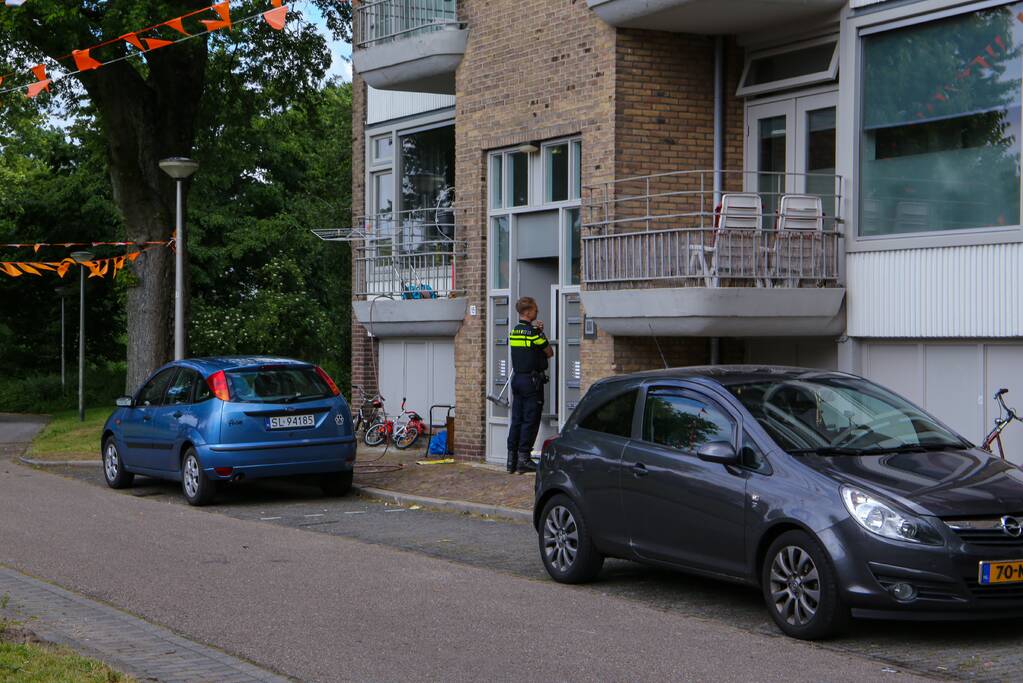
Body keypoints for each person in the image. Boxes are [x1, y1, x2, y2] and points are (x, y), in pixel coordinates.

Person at [507, 296, 554, 474]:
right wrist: (541, 333)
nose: (537, 312)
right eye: (535, 310)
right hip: (531, 382)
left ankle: (511, 460)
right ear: (527, 312)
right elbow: (549, 352)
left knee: (516, 419)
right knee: (530, 420)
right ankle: (524, 459)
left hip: (517, 380)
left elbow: (525, 349)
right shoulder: (534, 333)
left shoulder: (514, 331)